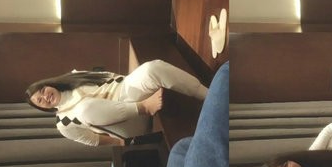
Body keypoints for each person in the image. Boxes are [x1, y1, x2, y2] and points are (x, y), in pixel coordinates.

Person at [25, 59, 207, 146]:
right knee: (84, 109)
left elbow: (110, 77)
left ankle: (207, 94)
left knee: (153, 68)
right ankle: (145, 107)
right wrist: (123, 143)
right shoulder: (63, 124)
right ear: (42, 108)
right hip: (125, 122)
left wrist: (137, 80)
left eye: (42, 91)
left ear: (47, 84)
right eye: (40, 101)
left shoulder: (73, 77)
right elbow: (94, 140)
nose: (45, 97)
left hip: (126, 91)